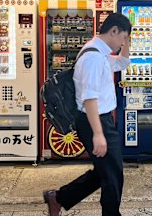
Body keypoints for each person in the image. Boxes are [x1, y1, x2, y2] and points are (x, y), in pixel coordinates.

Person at [43, 13, 132, 216]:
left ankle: (59, 198)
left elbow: (122, 63)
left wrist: (127, 41)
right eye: (123, 38)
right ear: (113, 31)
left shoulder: (99, 52)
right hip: (95, 121)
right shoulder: (92, 56)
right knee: (113, 175)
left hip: (100, 119)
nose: (122, 42)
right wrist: (98, 133)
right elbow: (89, 98)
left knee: (105, 172)